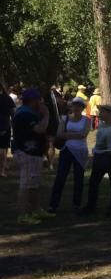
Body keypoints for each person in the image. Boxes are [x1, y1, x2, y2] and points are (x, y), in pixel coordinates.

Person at [81, 104, 111, 216]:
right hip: (99, 156)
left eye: (102, 112)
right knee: (93, 182)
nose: (100, 114)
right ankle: (90, 207)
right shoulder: (102, 125)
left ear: (110, 113)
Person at [11, 88, 51, 223]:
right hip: (26, 152)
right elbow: (40, 129)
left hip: (33, 153)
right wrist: (46, 115)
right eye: (39, 99)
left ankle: (36, 209)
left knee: (34, 183)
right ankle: (22, 214)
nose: (41, 102)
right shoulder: (25, 114)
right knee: (26, 184)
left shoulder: (29, 112)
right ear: (33, 100)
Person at [48, 97, 91, 214]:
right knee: (60, 177)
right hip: (66, 150)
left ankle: (76, 204)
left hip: (80, 151)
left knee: (79, 178)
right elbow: (60, 134)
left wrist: (68, 134)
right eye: (74, 105)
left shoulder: (87, 120)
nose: (76, 108)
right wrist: (74, 134)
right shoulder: (65, 119)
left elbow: (83, 134)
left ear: (83, 108)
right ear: (71, 107)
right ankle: (53, 204)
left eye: (79, 106)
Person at [0, 83, 14, 178]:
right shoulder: (7, 98)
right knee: (3, 148)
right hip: (4, 125)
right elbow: (13, 113)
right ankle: (1, 170)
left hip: (4, 125)